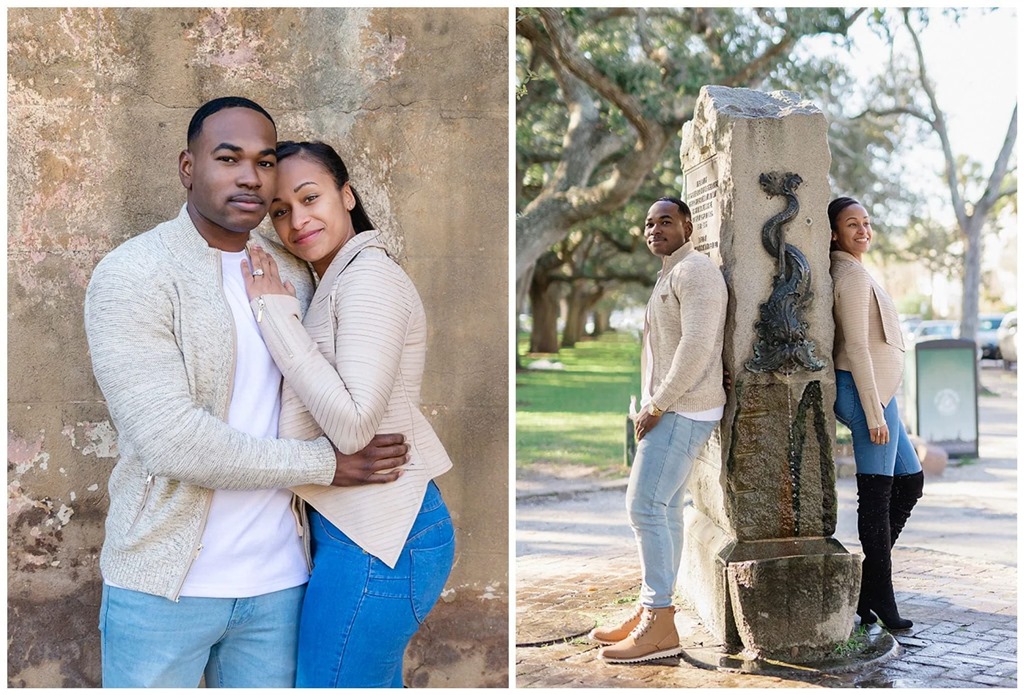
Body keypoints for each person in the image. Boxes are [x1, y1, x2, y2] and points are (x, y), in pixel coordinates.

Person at [83, 97, 409, 688]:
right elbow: (171, 440)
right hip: (164, 587)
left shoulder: (293, 267)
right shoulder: (134, 274)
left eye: (263, 162)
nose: (249, 177)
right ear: (189, 167)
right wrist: (326, 465)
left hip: (281, 584)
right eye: (228, 158)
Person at [242, 140, 455, 687]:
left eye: (310, 197)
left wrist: (274, 315)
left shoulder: (369, 279)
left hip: (383, 540)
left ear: (347, 195)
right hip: (358, 530)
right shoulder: (335, 277)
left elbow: (355, 425)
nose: (297, 220)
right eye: (280, 211)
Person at [589, 197, 727, 664]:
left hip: (683, 410)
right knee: (663, 508)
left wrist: (657, 404)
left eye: (665, 220)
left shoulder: (696, 272)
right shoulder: (671, 273)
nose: (654, 229)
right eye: (648, 223)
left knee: (643, 505)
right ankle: (654, 610)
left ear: (687, 224)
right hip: (674, 408)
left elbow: (696, 345)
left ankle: (659, 622)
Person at [828, 196, 924, 631]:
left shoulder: (857, 269)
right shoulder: (846, 274)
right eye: (852, 224)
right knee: (878, 495)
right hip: (867, 398)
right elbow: (858, 346)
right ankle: (881, 598)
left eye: (866, 222)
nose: (862, 230)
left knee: (911, 480)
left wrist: (881, 406)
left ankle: (869, 589)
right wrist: (873, 413)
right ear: (834, 233)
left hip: (883, 398)